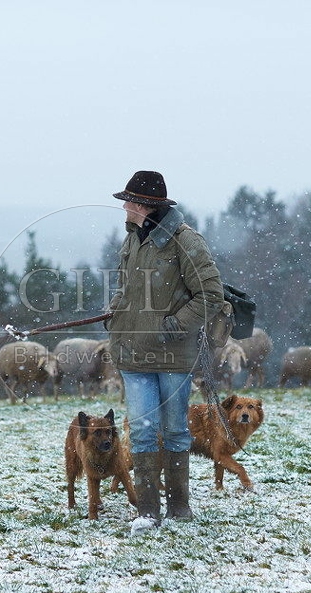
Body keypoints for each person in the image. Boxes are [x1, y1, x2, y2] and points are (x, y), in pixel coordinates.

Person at [106, 170, 225, 535]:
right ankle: (146, 511)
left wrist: (171, 326)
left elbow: (210, 297)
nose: (124, 207)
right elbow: (126, 288)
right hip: (132, 354)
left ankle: (179, 506)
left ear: (144, 205)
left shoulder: (186, 242)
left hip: (174, 357)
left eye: (128, 200)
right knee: (142, 430)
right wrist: (116, 314)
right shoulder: (132, 240)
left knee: (175, 430)